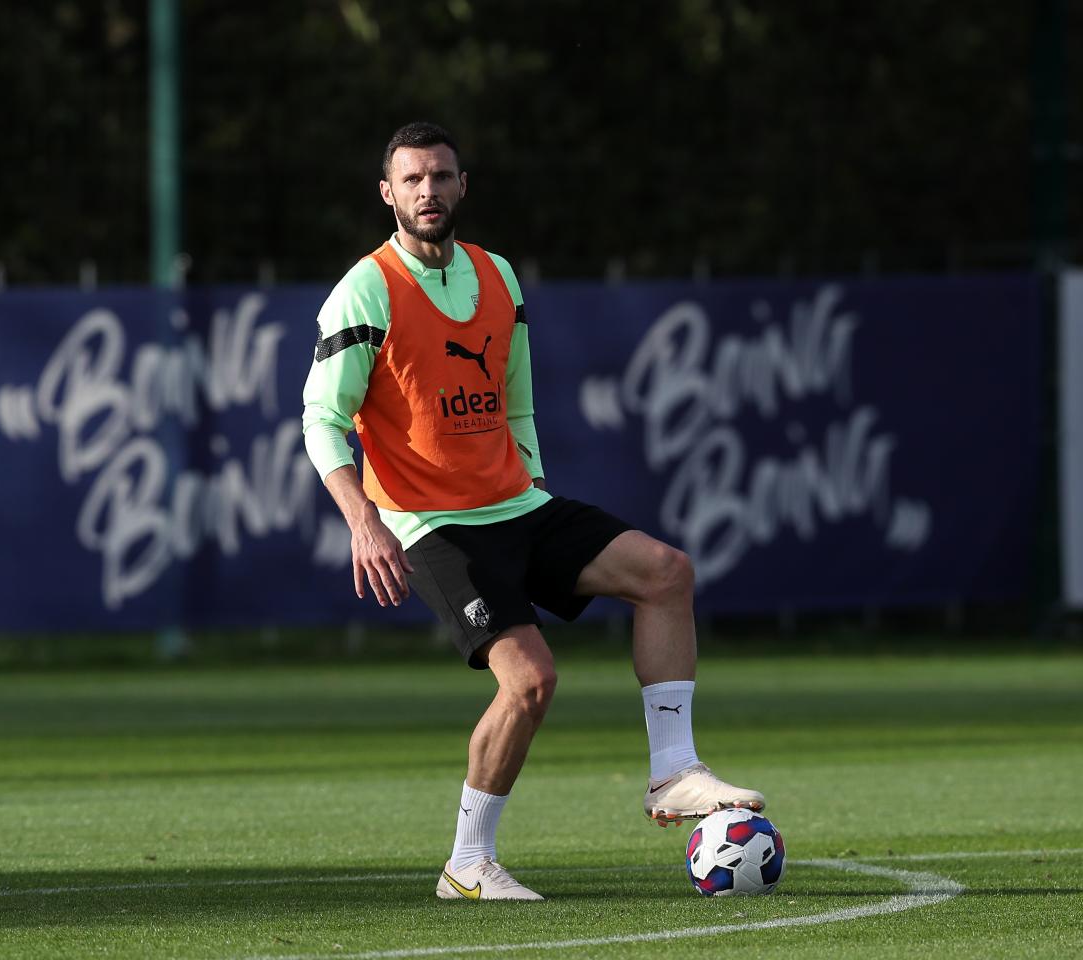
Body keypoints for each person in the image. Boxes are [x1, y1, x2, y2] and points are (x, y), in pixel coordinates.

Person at [301, 121, 764, 901]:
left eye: (441, 176)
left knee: (665, 572)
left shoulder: (498, 277)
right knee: (531, 682)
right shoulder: (367, 288)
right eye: (411, 180)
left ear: (462, 185)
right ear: (387, 193)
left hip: (514, 502)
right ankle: (468, 864)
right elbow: (322, 418)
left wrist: (537, 488)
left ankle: (673, 772)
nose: (428, 191)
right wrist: (362, 519)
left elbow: (516, 403)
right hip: (430, 522)